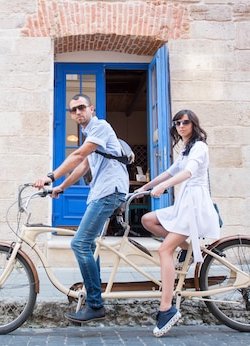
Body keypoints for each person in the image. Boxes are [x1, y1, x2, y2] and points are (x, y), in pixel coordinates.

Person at [34, 93, 129, 323]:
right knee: (90, 245)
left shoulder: (101, 127)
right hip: (101, 191)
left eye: (81, 108)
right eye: (73, 110)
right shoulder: (90, 134)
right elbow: (85, 164)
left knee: (79, 243)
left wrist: (51, 177)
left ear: (91, 109)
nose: (77, 113)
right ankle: (93, 294)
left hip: (109, 191)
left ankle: (96, 304)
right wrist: (61, 187)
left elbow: (77, 156)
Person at [135, 109, 220, 337]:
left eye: (185, 122)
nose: (181, 126)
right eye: (177, 123)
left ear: (193, 124)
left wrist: (164, 187)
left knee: (164, 250)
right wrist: (144, 187)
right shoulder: (185, 149)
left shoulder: (199, 147)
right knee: (147, 219)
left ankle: (167, 308)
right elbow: (169, 172)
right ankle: (187, 249)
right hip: (184, 204)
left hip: (194, 205)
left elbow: (189, 172)